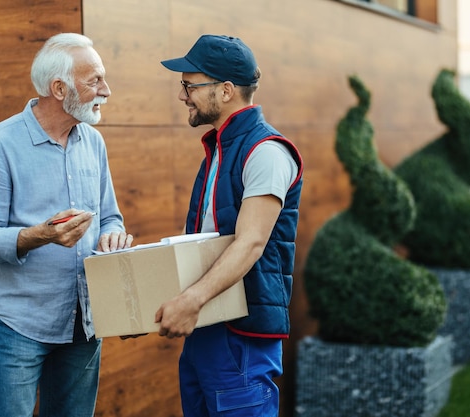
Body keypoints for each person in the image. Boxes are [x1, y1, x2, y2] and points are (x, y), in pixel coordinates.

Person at [0, 33, 133, 417]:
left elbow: (110, 215)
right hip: (20, 326)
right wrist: (40, 235)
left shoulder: (93, 142)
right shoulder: (0, 144)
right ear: (59, 88)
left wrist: (111, 234)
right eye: (95, 81)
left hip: (85, 322)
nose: (106, 90)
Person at [156, 34, 304, 417]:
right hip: (206, 326)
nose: (182, 95)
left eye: (189, 85)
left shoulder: (266, 152)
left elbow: (251, 243)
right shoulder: (218, 151)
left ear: (225, 91)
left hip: (242, 337)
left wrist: (190, 301)